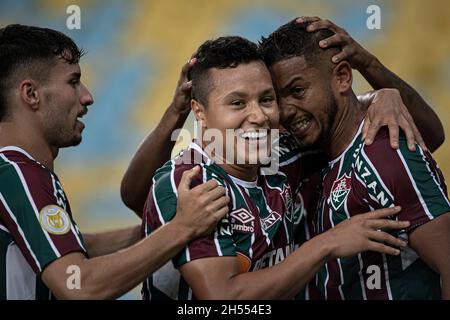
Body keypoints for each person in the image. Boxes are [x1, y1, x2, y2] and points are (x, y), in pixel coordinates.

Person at [136, 36, 411, 300]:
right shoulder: (188, 182)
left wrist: (380, 97)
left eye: (266, 100)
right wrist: (327, 244)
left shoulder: (282, 156)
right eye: (237, 103)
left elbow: (423, 137)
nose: (258, 116)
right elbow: (223, 298)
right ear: (199, 112)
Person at [0, 24, 229, 300]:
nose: (87, 96)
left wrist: (161, 225)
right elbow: (80, 286)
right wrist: (183, 227)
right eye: (73, 81)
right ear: (31, 94)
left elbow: (77, 248)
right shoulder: (17, 173)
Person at [259, 18, 450, 299]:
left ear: (343, 77)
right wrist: (379, 95)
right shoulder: (309, 153)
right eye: (277, 99)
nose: (286, 110)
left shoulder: (386, 153)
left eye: (297, 91)